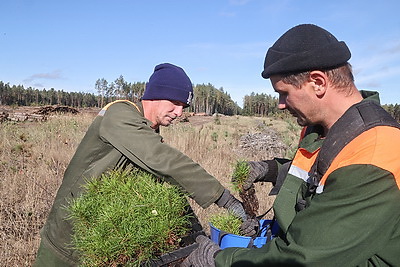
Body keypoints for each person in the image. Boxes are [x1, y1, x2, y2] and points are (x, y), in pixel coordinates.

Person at [182, 24, 400, 266]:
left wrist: (219, 260)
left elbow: (303, 258)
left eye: (284, 93)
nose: (280, 105)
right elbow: (320, 176)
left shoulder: (374, 153)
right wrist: (271, 169)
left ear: (318, 82)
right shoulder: (323, 129)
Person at [33, 63, 253, 266]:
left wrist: (197, 235)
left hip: (106, 242)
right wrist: (224, 198)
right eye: (175, 103)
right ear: (156, 95)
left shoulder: (147, 130)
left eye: (183, 106)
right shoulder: (119, 115)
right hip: (67, 241)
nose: (179, 113)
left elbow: (164, 187)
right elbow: (163, 159)